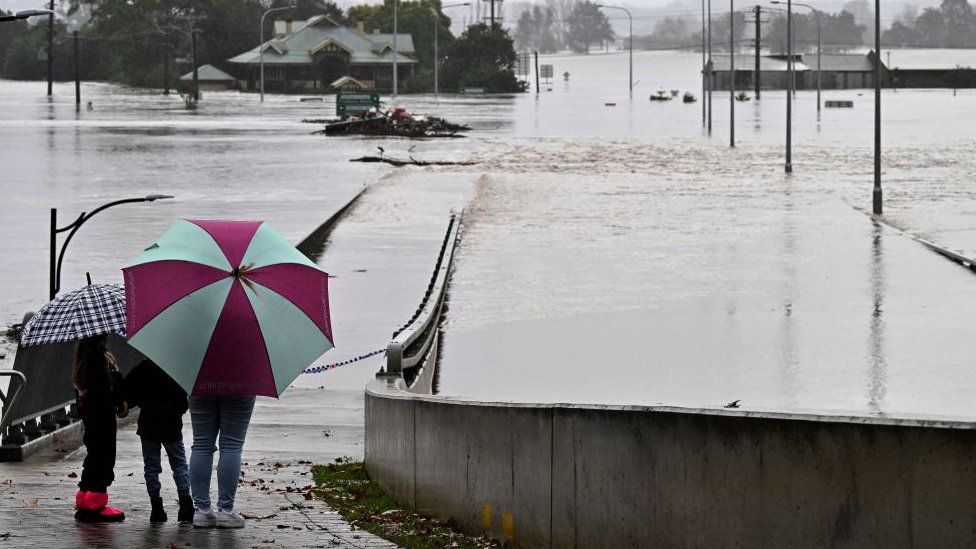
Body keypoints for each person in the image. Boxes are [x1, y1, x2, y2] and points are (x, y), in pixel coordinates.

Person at [124, 359, 193, 523]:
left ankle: (156, 509)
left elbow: (129, 394)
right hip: (171, 425)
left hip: (148, 424)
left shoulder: (142, 369)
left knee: (151, 467)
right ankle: (185, 506)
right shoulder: (176, 368)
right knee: (179, 465)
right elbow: (183, 404)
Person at [72, 334, 127, 523]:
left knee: (94, 455)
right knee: (104, 457)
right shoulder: (98, 358)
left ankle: (85, 499)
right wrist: (118, 393)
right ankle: (95, 503)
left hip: (90, 417)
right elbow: (103, 390)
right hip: (102, 416)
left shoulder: (83, 357)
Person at [189, 395, 256, 528]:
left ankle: (202, 510)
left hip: (202, 384)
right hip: (240, 385)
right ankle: (226, 510)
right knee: (232, 446)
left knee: (201, 445)